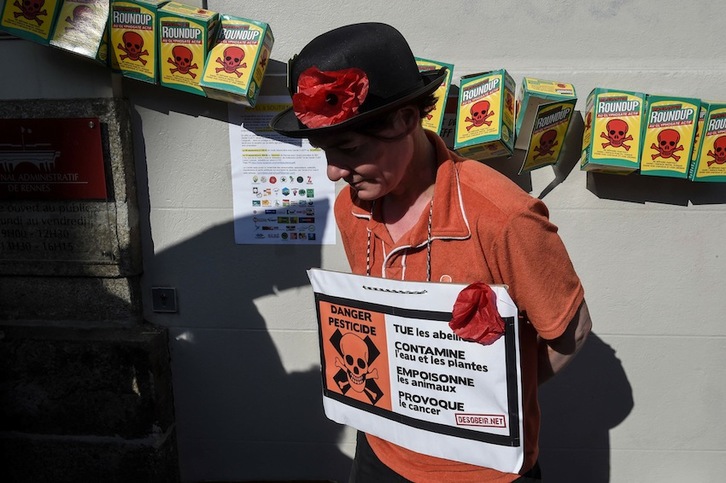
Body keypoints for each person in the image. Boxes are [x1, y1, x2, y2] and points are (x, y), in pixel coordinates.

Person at [271, 22, 592, 483]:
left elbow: (573, 331)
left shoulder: (503, 217)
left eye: (347, 148)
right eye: (324, 151)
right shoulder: (351, 207)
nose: (333, 173)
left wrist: (475, 397)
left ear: (405, 119)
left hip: (479, 467)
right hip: (380, 447)